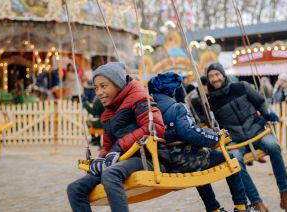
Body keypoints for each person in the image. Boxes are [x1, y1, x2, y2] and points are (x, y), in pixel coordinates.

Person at [67, 62, 165, 212]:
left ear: (118, 84)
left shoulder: (138, 96)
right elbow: (107, 144)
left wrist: (119, 147)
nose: (99, 92)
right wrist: (101, 158)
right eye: (96, 88)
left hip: (147, 158)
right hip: (122, 161)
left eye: (104, 86)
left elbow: (155, 128)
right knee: (74, 189)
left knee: (109, 174)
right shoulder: (108, 112)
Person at [148, 72, 248, 212]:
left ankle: (214, 208)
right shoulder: (177, 107)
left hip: (162, 161)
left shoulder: (148, 110)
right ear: (170, 90)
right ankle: (241, 206)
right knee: (229, 158)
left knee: (200, 160)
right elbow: (190, 133)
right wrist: (217, 138)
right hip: (181, 159)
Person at [206, 62, 287, 212]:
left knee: (274, 146)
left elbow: (260, 102)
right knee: (234, 160)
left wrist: (267, 114)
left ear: (223, 74)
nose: (215, 79)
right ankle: (257, 202)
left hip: (256, 130)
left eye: (217, 74)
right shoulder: (211, 102)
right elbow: (214, 124)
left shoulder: (241, 87)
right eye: (211, 76)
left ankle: (285, 195)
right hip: (235, 139)